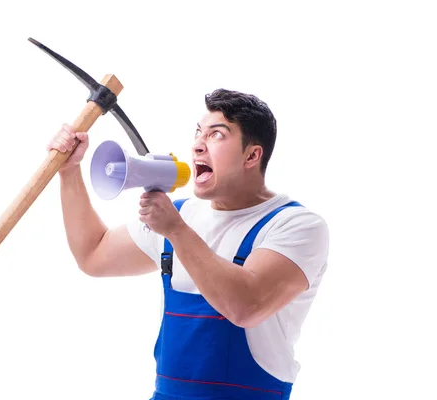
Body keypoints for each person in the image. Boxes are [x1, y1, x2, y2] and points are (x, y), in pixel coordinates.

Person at [47, 89, 330, 400]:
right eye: (198, 132)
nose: (197, 145)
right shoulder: (180, 214)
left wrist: (176, 231)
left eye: (216, 135)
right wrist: (69, 172)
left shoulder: (296, 226)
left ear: (252, 155)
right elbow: (93, 254)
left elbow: (246, 306)